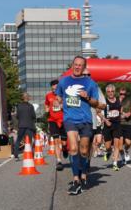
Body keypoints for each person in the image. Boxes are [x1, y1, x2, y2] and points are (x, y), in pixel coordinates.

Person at [56, 55, 104, 195]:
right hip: (70, 119)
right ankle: (76, 180)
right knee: (73, 148)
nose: (77, 67)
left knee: (84, 151)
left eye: (80, 65)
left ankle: (83, 174)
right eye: (75, 64)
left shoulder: (90, 83)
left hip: (85, 120)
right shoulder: (64, 81)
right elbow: (58, 95)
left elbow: (96, 103)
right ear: (72, 65)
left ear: (84, 67)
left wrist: (87, 97)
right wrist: (58, 101)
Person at [103, 84, 125, 171]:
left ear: (114, 92)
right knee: (108, 146)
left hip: (117, 125)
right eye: (108, 92)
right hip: (107, 125)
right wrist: (105, 120)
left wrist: (122, 115)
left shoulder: (119, 101)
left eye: (112, 91)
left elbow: (121, 111)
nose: (110, 93)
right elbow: (98, 111)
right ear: (106, 93)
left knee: (116, 144)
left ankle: (115, 164)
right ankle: (108, 152)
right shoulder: (104, 102)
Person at [45, 80, 66, 170]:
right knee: (56, 141)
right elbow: (46, 105)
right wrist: (46, 110)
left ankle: (65, 148)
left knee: (64, 142)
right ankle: (59, 161)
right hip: (52, 120)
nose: (54, 90)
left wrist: (62, 106)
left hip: (64, 120)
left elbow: (69, 105)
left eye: (56, 88)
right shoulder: (48, 96)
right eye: (53, 89)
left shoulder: (64, 95)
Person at [118, 89, 131, 163]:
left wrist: (130, 113)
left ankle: (126, 150)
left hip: (128, 124)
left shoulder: (129, 101)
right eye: (121, 94)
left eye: (124, 94)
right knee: (120, 147)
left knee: (128, 143)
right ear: (119, 94)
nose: (123, 95)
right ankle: (123, 158)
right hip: (118, 124)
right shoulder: (116, 101)